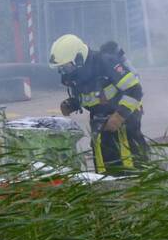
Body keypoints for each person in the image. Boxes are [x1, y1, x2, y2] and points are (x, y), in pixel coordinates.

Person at [50, 34, 149, 174]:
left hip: (125, 117)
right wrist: (73, 103)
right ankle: (107, 185)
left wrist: (119, 116)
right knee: (103, 156)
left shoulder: (105, 62)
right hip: (101, 119)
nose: (64, 72)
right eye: (61, 69)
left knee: (129, 157)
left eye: (66, 67)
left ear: (79, 58)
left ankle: (138, 183)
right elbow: (91, 96)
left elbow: (135, 90)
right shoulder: (76, 73)